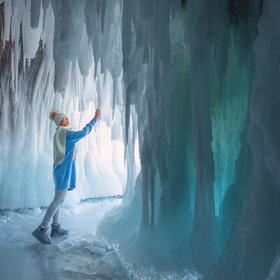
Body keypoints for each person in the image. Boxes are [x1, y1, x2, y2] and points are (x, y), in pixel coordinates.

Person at [32, 109, 101, 244]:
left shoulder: (60, 133)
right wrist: (95, 119)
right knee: (58, 200)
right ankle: (42, 228)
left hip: (60, 169)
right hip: (62, 170)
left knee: (58, 199)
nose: (66, 118)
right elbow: (83, 132)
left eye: (66, 117)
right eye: (63, 118)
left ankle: (55, 228)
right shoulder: (65, 134)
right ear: (59, 122)